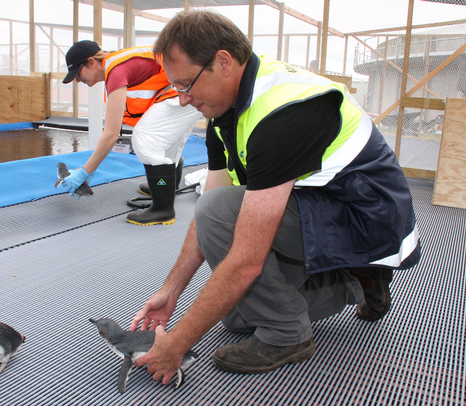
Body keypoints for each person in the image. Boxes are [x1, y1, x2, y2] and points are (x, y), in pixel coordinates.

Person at [129, 10, 420, 385]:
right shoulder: (223, 111)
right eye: (177, 89)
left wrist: (178, 344)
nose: (183, 100)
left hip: (370, 221)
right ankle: (358, 282)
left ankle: (288, 336)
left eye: (186, 85)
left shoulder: (283, 112)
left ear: (223, 62)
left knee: (221, 217)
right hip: (322, 207)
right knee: (236, 314)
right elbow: (205, 221)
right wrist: (170, 292)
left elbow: (240, 249)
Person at [60, 40, 202, 225]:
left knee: (144, 138)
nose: (78, 80)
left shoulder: (115, 70)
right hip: (187, 89)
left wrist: (84, 172)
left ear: (91, 62)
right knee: (165, 142)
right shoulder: (117, 63)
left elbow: (111, 133)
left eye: (78, 74)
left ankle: (163, 210)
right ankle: (164, 188)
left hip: (184, 92)